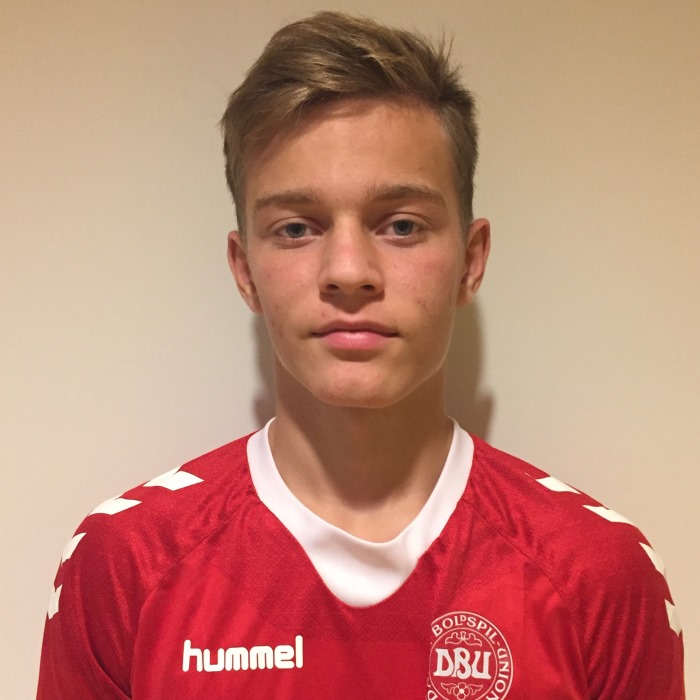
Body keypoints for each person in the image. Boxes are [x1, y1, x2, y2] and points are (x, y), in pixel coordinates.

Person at [37, 11, 684, 699]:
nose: (349, 271)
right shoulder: (124, 565)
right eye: (297, 228)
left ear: (470, 261)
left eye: (401, 225)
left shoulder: (597, 574)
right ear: (245, 270)